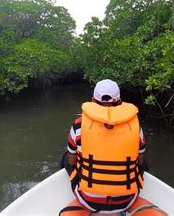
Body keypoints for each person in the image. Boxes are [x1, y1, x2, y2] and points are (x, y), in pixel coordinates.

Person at [59, 79, 167, 216]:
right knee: (143, 161)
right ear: (119, 101)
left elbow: (72, 162)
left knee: (66, 157)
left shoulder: (78, 126)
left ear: (93, 100)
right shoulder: (135, 126)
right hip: (127, 200)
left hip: (87, 200)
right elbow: (140, 161)